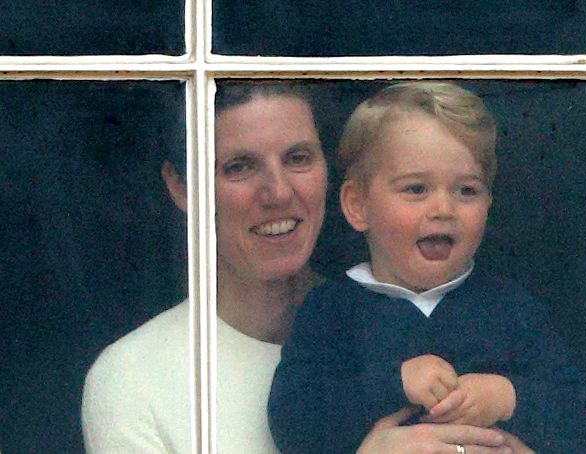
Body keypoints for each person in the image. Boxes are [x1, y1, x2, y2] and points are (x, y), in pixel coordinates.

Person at [82, 82, 532, 453]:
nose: (277, 192)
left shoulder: (422, 313)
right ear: (181, 187)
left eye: (298, 159)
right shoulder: (134, 379)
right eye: (239, 167)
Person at [269, 82, 586, 453]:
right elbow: (293, 419)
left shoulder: (510, 307)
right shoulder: (331, 310)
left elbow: (585, 415)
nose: (443, 208)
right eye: (416, 189)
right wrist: (394, 384)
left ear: (489, 203)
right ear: (358, 205)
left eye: (466, 191)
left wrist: (507, 396)